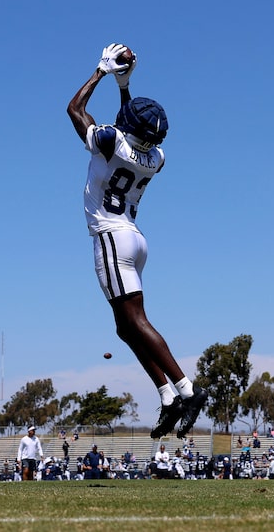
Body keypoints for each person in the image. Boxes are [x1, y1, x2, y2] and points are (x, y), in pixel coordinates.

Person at [67, 43, 207, 440]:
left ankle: (186, 388)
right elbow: (128, 127)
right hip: (135, 240)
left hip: (110, 236)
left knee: (136, 322)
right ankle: (167, 396)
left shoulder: (112, 142)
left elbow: (74, 110)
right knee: (125, 329)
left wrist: (101, 72)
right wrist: (125, 85)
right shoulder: (156, 157)